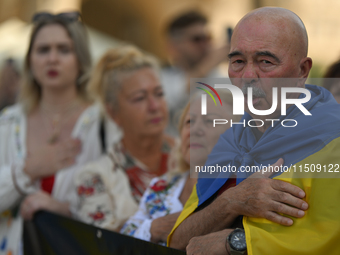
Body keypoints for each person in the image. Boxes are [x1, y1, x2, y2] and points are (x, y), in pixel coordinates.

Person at [168, 7, 340, 255]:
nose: (247, 76)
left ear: (303, 71)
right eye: (237, 61)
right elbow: (178, 242)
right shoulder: (230, 140)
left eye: (266, 62)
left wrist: (236, 244)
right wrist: (231, 201)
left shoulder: (332, 139)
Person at [0, 12, 121, 255]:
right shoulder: (8, 121)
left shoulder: (104, 122)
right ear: (30, 60)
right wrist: (28, 169)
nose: (52, 59)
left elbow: (121, 204)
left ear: (81, 59)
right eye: (43, 50)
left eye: (64, 50)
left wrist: (65, 209)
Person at [120, 90, 239, 245]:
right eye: (189, 121)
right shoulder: (162, 187)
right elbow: (120, 242)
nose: (194, 130)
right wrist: (154, 228)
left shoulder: (244, 192)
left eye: (210, 121)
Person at [86, 46, 174, 206]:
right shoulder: (96, 177)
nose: (154, 106)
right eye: (140, 98)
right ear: (113, 112)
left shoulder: (193, 157)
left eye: (159, 94)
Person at [161, 10, 229, 135]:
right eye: (197, 39)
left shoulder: (224, 78)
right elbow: (170, 99)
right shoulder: (163, 78)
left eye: (208, 38)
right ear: (174, 46)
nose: (205, 44)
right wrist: (208, 64)